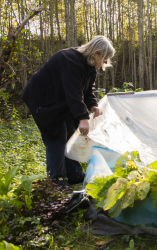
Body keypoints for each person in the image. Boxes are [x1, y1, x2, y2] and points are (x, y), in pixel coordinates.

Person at [22, 36, 115, 186]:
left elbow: (86, 90)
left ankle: (75, 175)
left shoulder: (90, 67)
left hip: (61, 102)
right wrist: (83, 118)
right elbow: (73, 92)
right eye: (104, 59)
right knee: (56, 138)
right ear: (95, 53)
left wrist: (92, 105)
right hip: (44, 101)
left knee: (71, 136)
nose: (105, 63)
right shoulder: (70, 60)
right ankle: (55, 184)